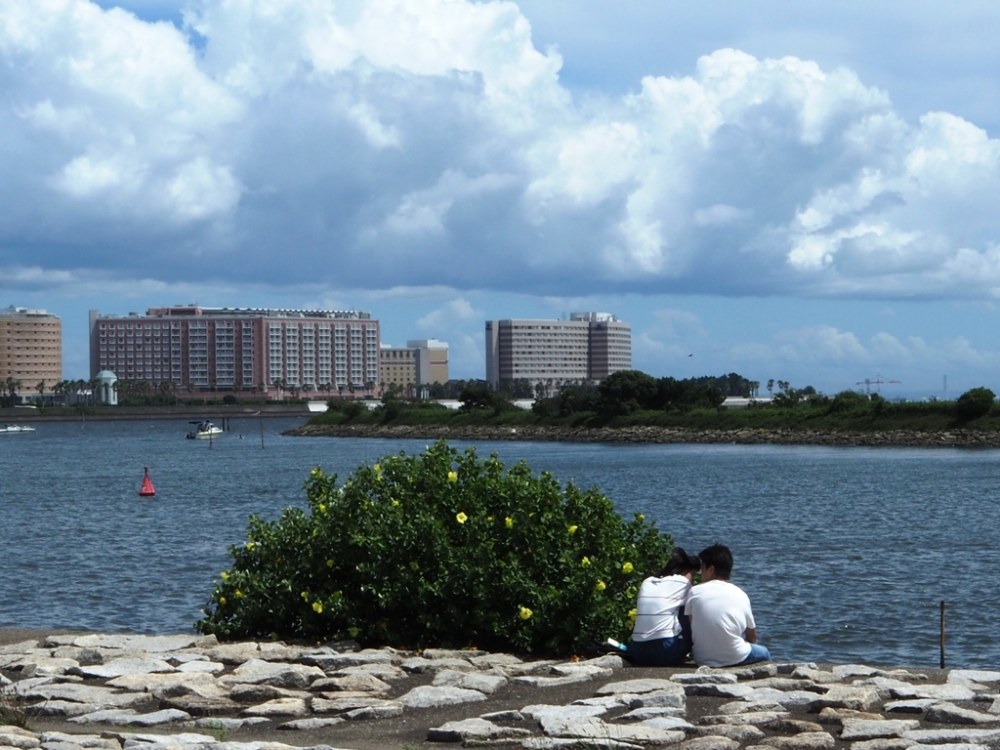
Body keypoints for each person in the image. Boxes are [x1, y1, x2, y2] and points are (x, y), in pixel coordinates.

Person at [685, 543, 771, 667]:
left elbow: (691, 628)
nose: (701, 573)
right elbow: (752, 636)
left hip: (702, 658)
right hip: (735, 657)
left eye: (702, 569)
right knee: (764, 652)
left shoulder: (694, 592)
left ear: (711, 569)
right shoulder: (740, 594)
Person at [626, 547, 701, 666]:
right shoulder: (684, 582)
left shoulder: (647, 582)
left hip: (638, 652)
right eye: (693, 575)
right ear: (684, 571)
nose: (693, 581)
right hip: (665, 652)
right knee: (688, 608)